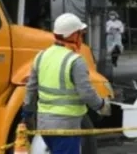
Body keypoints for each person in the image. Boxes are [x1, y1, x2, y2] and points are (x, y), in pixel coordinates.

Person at [23, 13, 112, 153]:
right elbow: (86, 93)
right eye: (80, 34)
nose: (81, 38)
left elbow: (31, 89)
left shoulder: (41, 56)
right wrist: (101, 105)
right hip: (66, 127)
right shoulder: (75, 61)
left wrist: (27, 114)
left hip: (44, 126)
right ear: (72, 35)